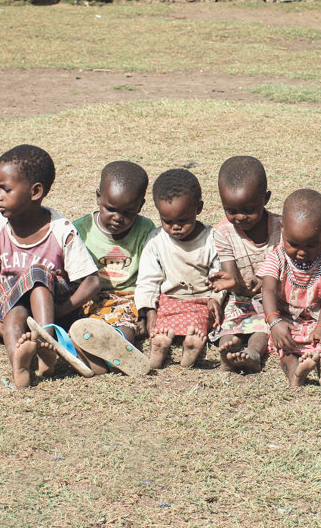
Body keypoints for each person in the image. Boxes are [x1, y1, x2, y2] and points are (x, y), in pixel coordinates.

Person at [0, 145, 100, 388]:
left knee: (37, 276)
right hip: (11, 304)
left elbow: (92, 282)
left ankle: (47, 342)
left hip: (52, 305)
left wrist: (60, 312)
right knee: (14, 317)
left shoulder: (61, 229)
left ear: (35, 191)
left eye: (5, 189)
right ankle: (19, 364)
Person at [134, 168, 224, 370]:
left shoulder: (212, 239)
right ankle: (158, 349)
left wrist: (215, 299)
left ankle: (191, 348)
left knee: (200, 322)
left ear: (198, 208)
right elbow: (148, 279)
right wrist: (149, 310)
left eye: (183, 220)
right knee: (160, 326)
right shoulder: (156, 240)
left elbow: (220, 276)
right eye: (167, 221)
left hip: (200, 301)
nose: (175, 227)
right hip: (170, 301)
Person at [258, 189, 321, 387]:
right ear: (282, 228)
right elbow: (268, 290)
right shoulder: (277, 257)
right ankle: (294, 373)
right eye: (293, 243)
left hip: (316, 321)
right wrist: (274, 322)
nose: (301, 252)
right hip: (284, 321)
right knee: (286, 350)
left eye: (311, 245)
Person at [209, 156, 281, 374]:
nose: (240, 217)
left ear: (265, 198)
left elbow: (287, 265)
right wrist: (231, 282)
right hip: (240, 299)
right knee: (229, 324)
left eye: (249, 210)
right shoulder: (223, 232)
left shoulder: (282, 228)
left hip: (271, 298)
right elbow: (231, 278)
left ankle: (254, 354)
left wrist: (267, 281)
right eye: (231, 210)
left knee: (264, 326)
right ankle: (228, 352)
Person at [73, 161, 154, 345]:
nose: (118, 218)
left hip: (127, 298)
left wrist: (143, 312)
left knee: (126, 331)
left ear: (140, 206)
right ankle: (91, 354)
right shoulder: (81, 229)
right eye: (110, 209)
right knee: (83, 328)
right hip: (90, 297)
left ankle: (116, 350)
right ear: (98, 197)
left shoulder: (145, 229)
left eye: (128, 212)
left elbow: (150, 274)